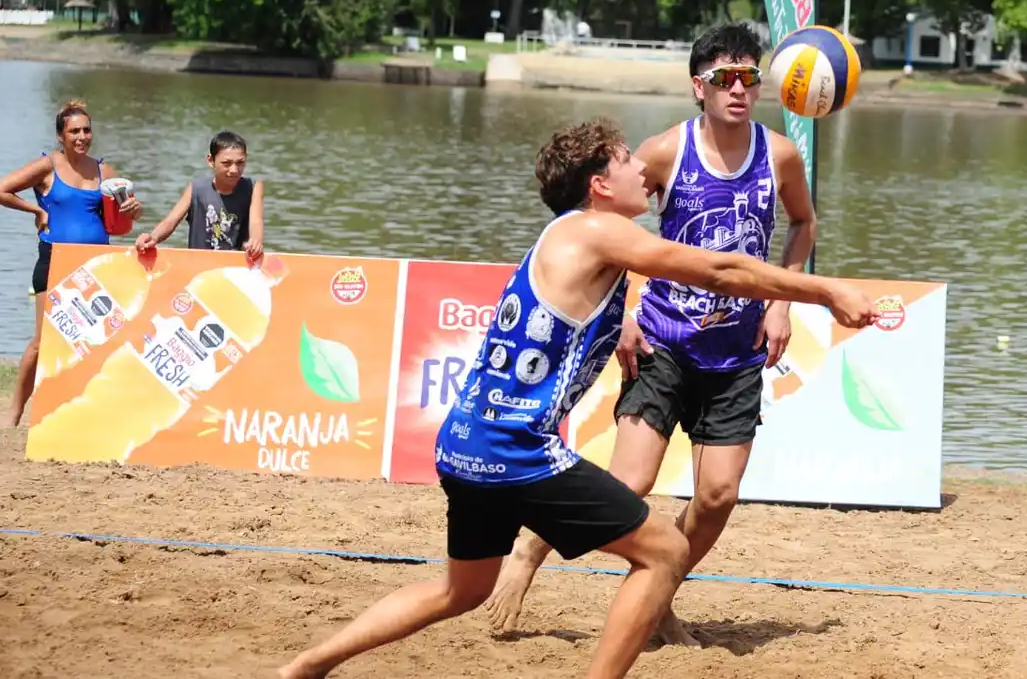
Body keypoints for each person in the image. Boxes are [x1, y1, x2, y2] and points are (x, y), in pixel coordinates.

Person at [276, 119, 875, 679]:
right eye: (623, 161)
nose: (641, 169)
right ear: (598, 185)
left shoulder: (566, 235)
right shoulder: (597, 231)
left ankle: (305, 666)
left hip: (465, 439)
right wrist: (822, 289)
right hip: (516, 448)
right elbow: (719, 271)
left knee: (460, 591)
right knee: (664, 550)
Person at [486, 22, 812, 646]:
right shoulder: (665, 151)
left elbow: (803, 224)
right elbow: (610, 224)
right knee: (629, 484)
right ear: (699, 86)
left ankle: (659, 594)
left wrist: (780, 302)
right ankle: (531, 550)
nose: (740, 88)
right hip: (663, 340)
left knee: (717, 497)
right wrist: (628, 312)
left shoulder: (781, 155)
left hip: (735, 355)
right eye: (725, 78)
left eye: (750, 76)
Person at [0, 99, 144, 426]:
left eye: (87, 130)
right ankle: (14, 414)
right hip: (53, 260)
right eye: (74, 131)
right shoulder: (47, 166)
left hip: (96, 266)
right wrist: (37, 210)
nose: (82, 136)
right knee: (42, 342)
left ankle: (80, 413)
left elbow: (122, 222)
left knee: (93, 343)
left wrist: (134, 211)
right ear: (61, 135)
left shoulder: (105, 172)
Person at [135, 130, 264, 261]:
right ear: (210, 160)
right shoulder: (196, 188)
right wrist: (152, 238)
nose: (234, 170)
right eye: (226, 163)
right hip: (199, 264)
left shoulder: (253, 187)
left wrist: (256, 242)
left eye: (240, 162)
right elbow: (171, 221)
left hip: (236, 267)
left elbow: (256, 222)